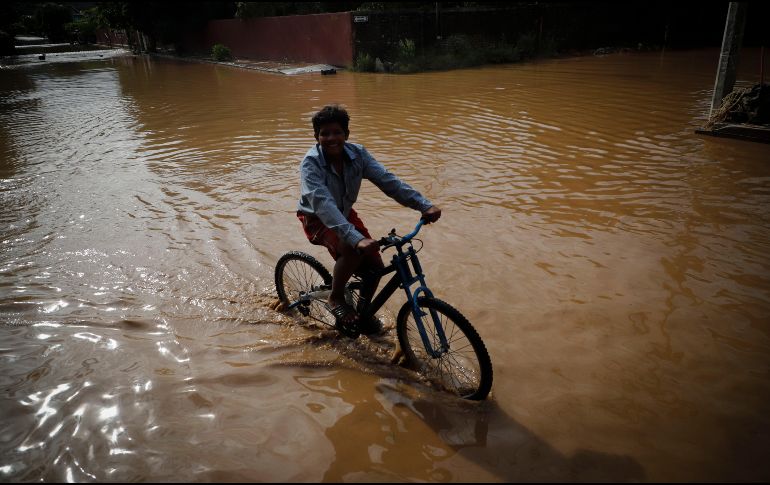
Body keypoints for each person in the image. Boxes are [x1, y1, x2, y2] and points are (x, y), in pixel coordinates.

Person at [296, 105, 441, 335]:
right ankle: (335, 298)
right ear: (317, 137)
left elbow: (388, 181)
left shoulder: (358, 155)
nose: (331, 138)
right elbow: (323, 204)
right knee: (353, 249)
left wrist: (424, 205)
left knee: (375, 267)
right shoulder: (310, 164)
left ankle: (363, 313)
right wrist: (355, 239)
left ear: (347, 134)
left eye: (337, 132)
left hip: (344, 213)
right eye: (325, 133)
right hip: (317, 218)